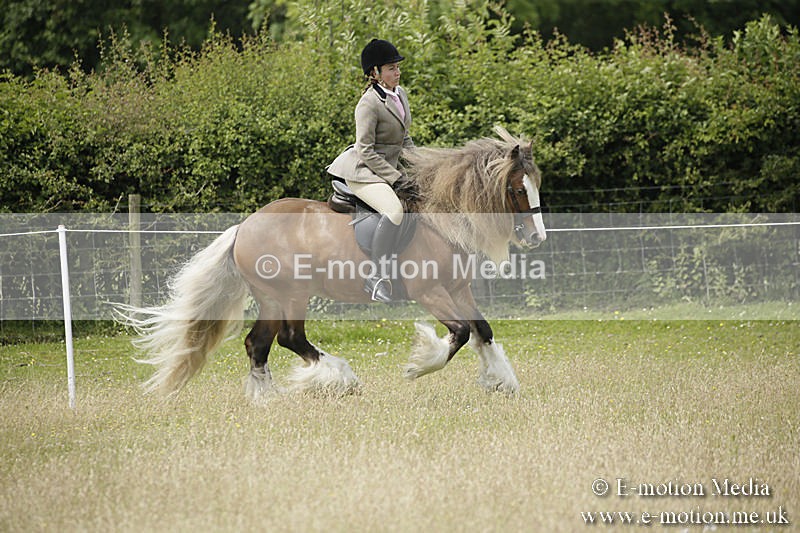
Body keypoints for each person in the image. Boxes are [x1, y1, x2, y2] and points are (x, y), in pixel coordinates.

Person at [327, 39, 414, 302]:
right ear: (375, 73)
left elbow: (405, 140)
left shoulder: (401, 95)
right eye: (390, 68)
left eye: (397, 67)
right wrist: (395, 178)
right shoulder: (368, 103)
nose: (397, 72)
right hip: (362, 171)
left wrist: (424, 166)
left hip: (386, 168)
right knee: (395, 210)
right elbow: (365, 150)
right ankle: (375, 277)